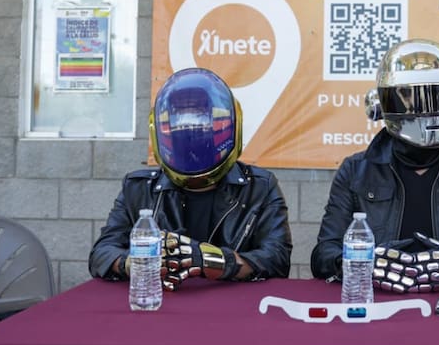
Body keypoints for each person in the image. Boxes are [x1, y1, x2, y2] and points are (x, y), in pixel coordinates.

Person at [312, 38, 439, 292]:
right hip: (377, 301)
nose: (432, 111)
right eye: (417, 99)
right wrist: (367, 265)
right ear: (384, 105)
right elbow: (324, 253)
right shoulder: (356, 171)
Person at [90, 67, 292, 288]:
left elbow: (278, 259)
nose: (191, 131)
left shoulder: (259, 187)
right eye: (181, 122)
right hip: (163, 304)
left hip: (234, 308)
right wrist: (136, 263)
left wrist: (208, 260)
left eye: (200, 121)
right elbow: (101, 253)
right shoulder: (139, 188)